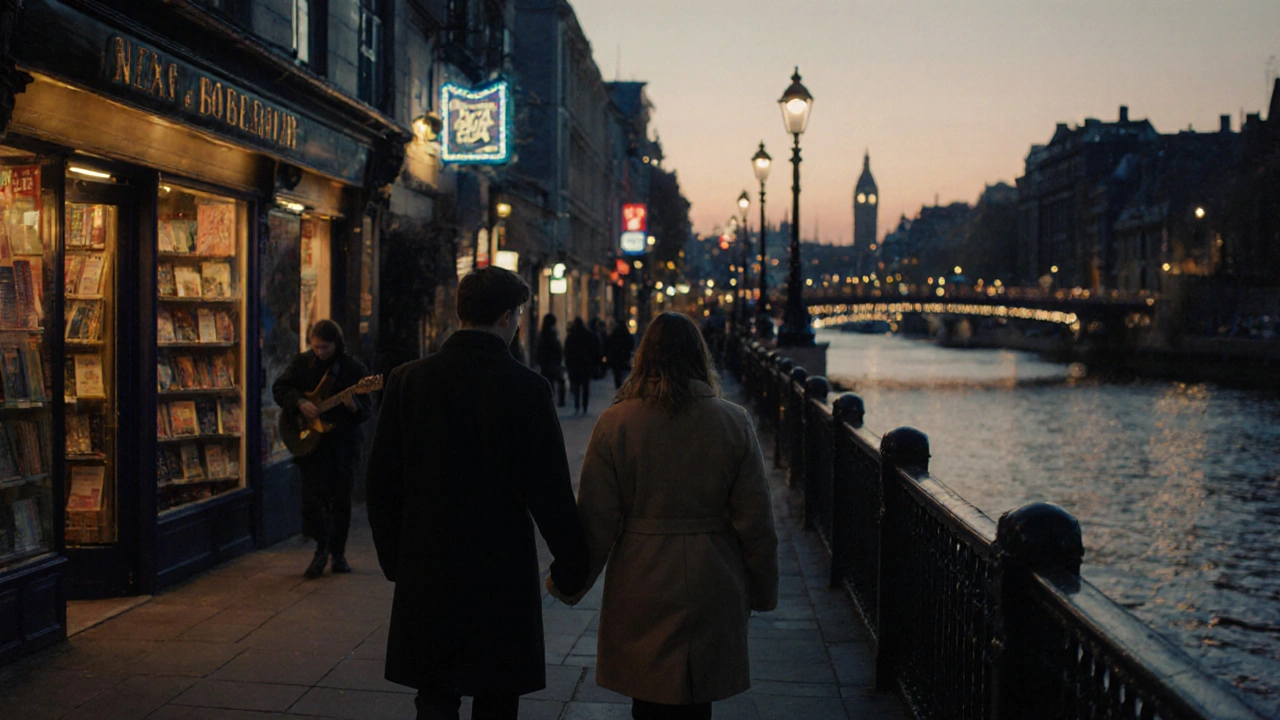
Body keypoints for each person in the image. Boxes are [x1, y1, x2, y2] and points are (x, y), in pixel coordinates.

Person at [365, 267, 590, 720]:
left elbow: (382, 483)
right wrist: (572, 566)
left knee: (434, 694)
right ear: (508, 318)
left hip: (429, 563)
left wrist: (395, 559)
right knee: (497, 694)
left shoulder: (408, 381)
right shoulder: (527, 388)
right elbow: (549, 491)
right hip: (500, 569)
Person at [548, 311, 779, 720]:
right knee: (698, 696)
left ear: (644, 356)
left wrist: (569, 583)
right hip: (712, 574)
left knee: (648, 693)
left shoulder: (616, 424)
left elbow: (596, 521)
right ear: (698, 356)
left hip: (643, 574)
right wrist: (762, 589)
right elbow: (756, 523)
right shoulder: (732, 422)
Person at [271, 319, 372, 578]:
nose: (320, 352)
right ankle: (321, 547)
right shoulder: (303, 363)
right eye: (315, 347)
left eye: (325, 348)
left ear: (336, 344)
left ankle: (337, 554)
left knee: (340, 500)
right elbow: (280, 387)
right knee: (312, 500)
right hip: (311, 445)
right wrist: (300, 402)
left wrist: (353, 406)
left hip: (342, 446)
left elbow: (366, 411)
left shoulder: (353, 369)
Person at [564, 317, 601, 414]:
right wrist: (594, 363)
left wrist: (568, 364)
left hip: (575, 365)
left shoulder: (571, 335)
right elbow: (595, 349)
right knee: (585, 386)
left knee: (576, 387)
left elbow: (567, 351)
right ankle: (585, 406)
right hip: (586, 365)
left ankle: (577, 405)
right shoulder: (588, 335)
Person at [535, 313, 566, 407]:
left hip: (546, 365)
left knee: (550, 384)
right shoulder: (551, 335)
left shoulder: (542, 335)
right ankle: (557, 403)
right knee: (558, 383)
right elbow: (557, 349)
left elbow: (539, 351)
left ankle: (550, 403)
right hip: (552, 364)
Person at [604, 320, 634, 389]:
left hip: (616, 358)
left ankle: (618, 387)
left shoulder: (614, 333)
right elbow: (631, 345)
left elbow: (609, 344)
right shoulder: (627, 334)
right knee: (623, 374)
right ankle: (622, 387)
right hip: (624, 358)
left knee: (617, 375)